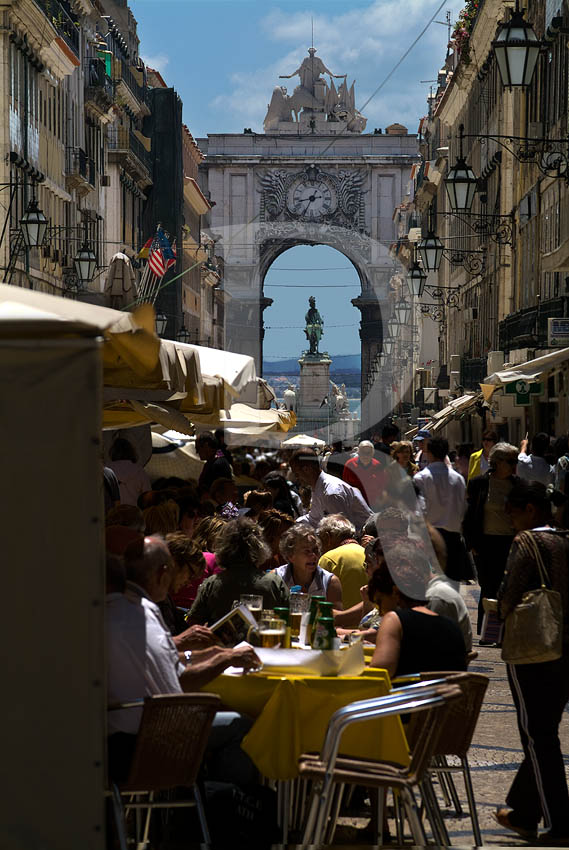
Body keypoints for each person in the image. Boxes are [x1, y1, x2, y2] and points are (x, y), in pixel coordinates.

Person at [106, 536, 261, 786]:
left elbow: (159, 663)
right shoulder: (144, 612)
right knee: (241, 724)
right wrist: (227, 658)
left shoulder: (112, 612)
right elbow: (180, 682)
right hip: (151, 745)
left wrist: (212, 655)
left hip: (117, 743)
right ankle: (219, 813)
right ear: (163, 572)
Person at [495, 481, 569, 845]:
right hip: (565, 647)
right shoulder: (566, 539)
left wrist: (501, 611)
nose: (507, 515)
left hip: (534, 646)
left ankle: (559, 822)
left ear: (530, 510)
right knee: (544, 732)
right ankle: (524, 812)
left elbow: (508, 592)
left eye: (511, 508)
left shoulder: (527, 542)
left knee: (537, 734)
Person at [368, 542, 467, 677]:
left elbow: (381, 671)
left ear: (395, 592)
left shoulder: (394, 620)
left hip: (410, 696)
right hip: (446, 697)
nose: (380, 612)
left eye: (380, 602)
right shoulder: (452, 626)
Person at [187, 518, 290, 625]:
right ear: (260, 546)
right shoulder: (274, 583)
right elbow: (289, 619)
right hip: (265, 640)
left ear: (222, 546)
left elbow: (193, 624)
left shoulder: (211, 584)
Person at [464, 442, 519, 636]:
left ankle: (504, 632)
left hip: (510, 543)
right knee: (488, 587)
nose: (514, 465)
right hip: (485, 544)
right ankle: (488, 632)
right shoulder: (479, 484)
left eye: (516, 460)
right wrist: (471, 544)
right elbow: (469, 515)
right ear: (496, 462)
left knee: (506, 588)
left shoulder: (517, 485)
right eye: (510, 461)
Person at [414, 436, 468, 586]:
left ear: (429, 453)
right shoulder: (458, 479)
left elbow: (419, 510)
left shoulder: (421, 478)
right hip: (454, 538)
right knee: (452, 586)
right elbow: (463, 508)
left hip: (431, 539)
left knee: (431, 586)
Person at [290, 448, 372, 531]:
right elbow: (314, 518)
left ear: (307, 469)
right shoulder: (318, 487)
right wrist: (292, 524)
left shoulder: (331, 493)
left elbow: (342, 530)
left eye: (297, 474)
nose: (296, 478)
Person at [276, 524, 343, 605]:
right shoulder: (276, 578)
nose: (313, 556)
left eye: (315, 550)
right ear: (290, 555)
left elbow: (336, 615)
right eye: (307, 551)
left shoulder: (330, 582)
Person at [317, 514, 367, 608]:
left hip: (342, 621)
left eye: (320, 537)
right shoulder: (368, 554)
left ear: (327, 538)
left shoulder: (328, 559)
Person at [342, 440, 386, 510]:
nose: (366, 455)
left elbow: (383, 486)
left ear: (373, 453)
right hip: (355, 505)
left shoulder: (378, 466)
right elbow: (345, 485)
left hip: (374, 505)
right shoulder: (349, 465)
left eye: (368, 452)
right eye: (363, 452)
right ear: (358, 452)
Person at [108, 437, 151, 506]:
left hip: (113, 514)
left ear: (112, 452)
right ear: (131, 451)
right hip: (133, 513)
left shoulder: (107, 470)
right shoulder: (140, 471)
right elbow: (147, 496)